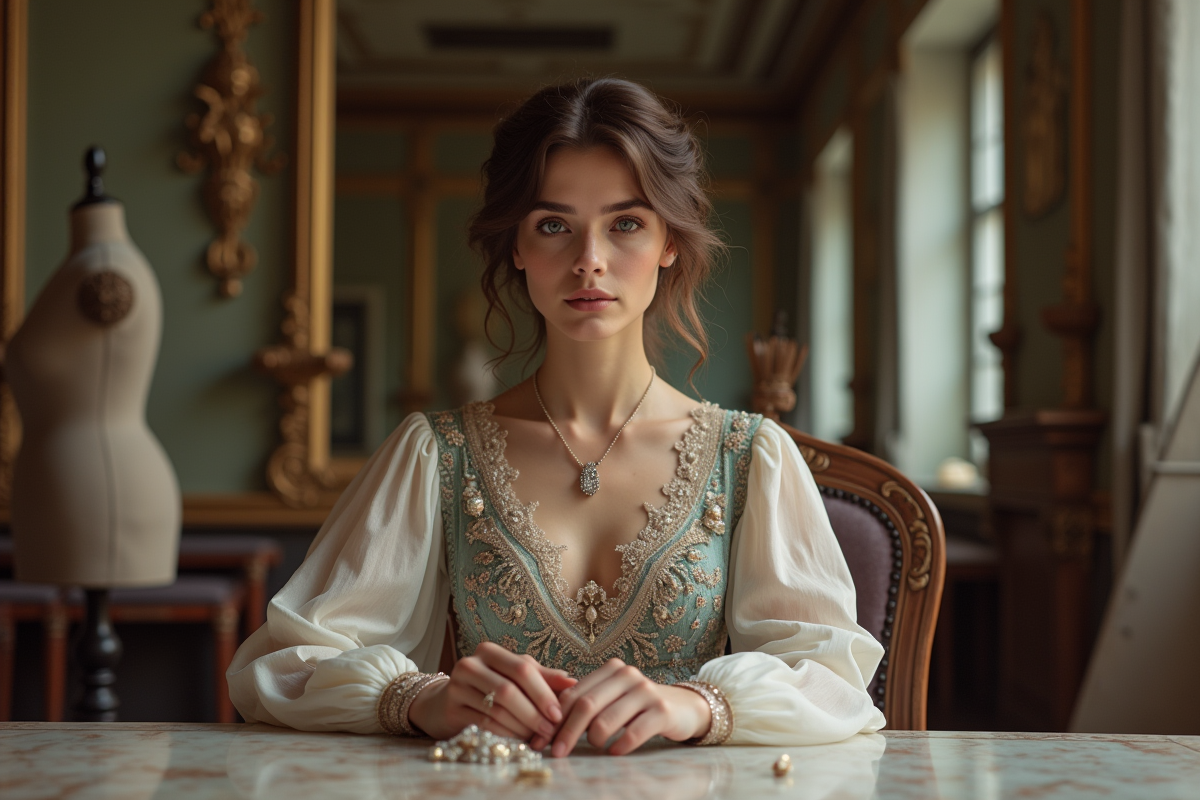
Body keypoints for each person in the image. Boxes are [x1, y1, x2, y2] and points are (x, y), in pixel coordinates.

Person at [227, 77, 886, 756]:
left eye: (625, 223)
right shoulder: (434, 453)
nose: (589, 262)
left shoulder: (750, 457)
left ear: (669, 242)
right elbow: (282, 666)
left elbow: (833, 681)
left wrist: (696, 704)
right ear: (516, 246)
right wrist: (420, 696)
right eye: (553, 226)